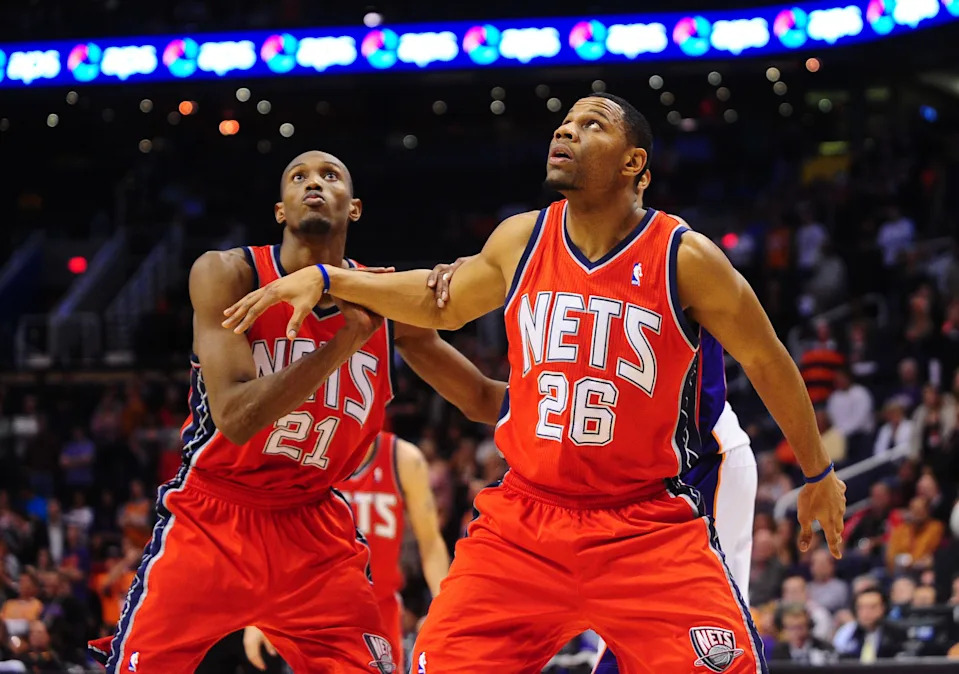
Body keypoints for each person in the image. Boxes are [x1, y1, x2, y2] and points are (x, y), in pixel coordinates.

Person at [224, 93, 846, 672]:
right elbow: (441, 305)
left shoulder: (685, 257)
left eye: (591, 125)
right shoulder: (523, 237)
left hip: (645, 524)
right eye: (564, 124)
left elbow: (768, 361)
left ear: (636, 164)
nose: (566, 131)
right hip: (526, 520)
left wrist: (817, 473)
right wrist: (335, 281)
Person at [87, 150, 513, 674]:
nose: (315, 183)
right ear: (280, 210)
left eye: (331, 176)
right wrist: (343, 343)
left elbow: (480, 399)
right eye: (299, 176)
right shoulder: (228, 274)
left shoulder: (383, 299)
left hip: (315, 527)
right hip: (215, 517)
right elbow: (238, 417)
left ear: (353, 209)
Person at [429, 256, 759, 673]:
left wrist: (817, 471)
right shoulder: (543, 260)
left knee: (699, 649)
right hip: (605, 486)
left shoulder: (673, 256)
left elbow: (766, 358)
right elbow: (482, 397)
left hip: (698, 466)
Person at [243, 431, 450, 669]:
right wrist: (260, 613)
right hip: (313, 617)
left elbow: (431, 544)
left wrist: (443, 609)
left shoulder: (403, 459)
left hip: (379, 616)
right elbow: (280, 538)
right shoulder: (306, 456)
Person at [833, 589, 904, 661]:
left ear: (883, 608)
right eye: (861, 607)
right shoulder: (848, 632)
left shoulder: (897, 634)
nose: (866, 612)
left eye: (872, 607)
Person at [769, 603, 836, 665]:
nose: (796, 632)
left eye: (800, 627)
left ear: (809, 626)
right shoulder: (779, 651)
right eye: (791, 628)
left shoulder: (824, 648)